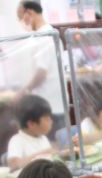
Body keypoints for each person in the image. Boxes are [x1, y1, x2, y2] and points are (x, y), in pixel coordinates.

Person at [17, 1, 67, 133]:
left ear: (29, 13)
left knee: (54, 142)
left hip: (49, 105)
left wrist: (24, 91)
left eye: (21, 18)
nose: (21, 22)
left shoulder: (43, 37)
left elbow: (42, 72)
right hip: (57, 103)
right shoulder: (51, 33)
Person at [6, 94, 56, 171]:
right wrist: (42, 154)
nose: (51, 121)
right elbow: (13, 164)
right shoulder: (17, 140)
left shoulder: (42, 137)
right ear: (31, 124)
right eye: (47, 119)